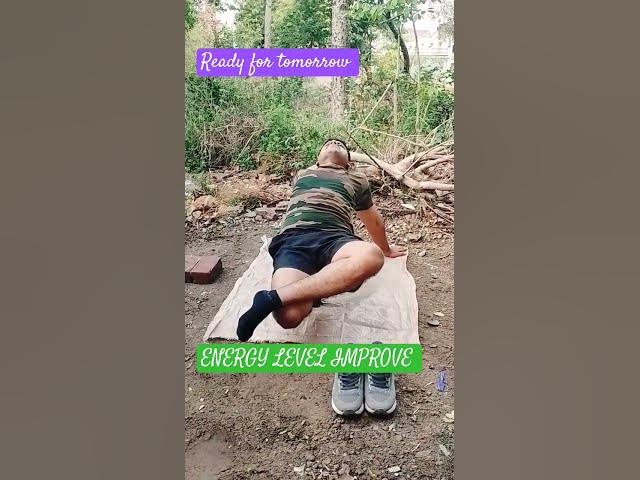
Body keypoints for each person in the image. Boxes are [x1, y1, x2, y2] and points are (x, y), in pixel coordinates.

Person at [236, 138, 406, 415]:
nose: (334, 144)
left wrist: (386, 249)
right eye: (329, 143)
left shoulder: (356, 178)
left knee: (372, 256)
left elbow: (373, 219)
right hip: (293, 241)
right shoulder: (303, 173)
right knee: (289, 317)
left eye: (340, 145)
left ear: (348, 163)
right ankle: (311, 288)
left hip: (335, 240)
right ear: (317, 159)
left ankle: (270, 298)